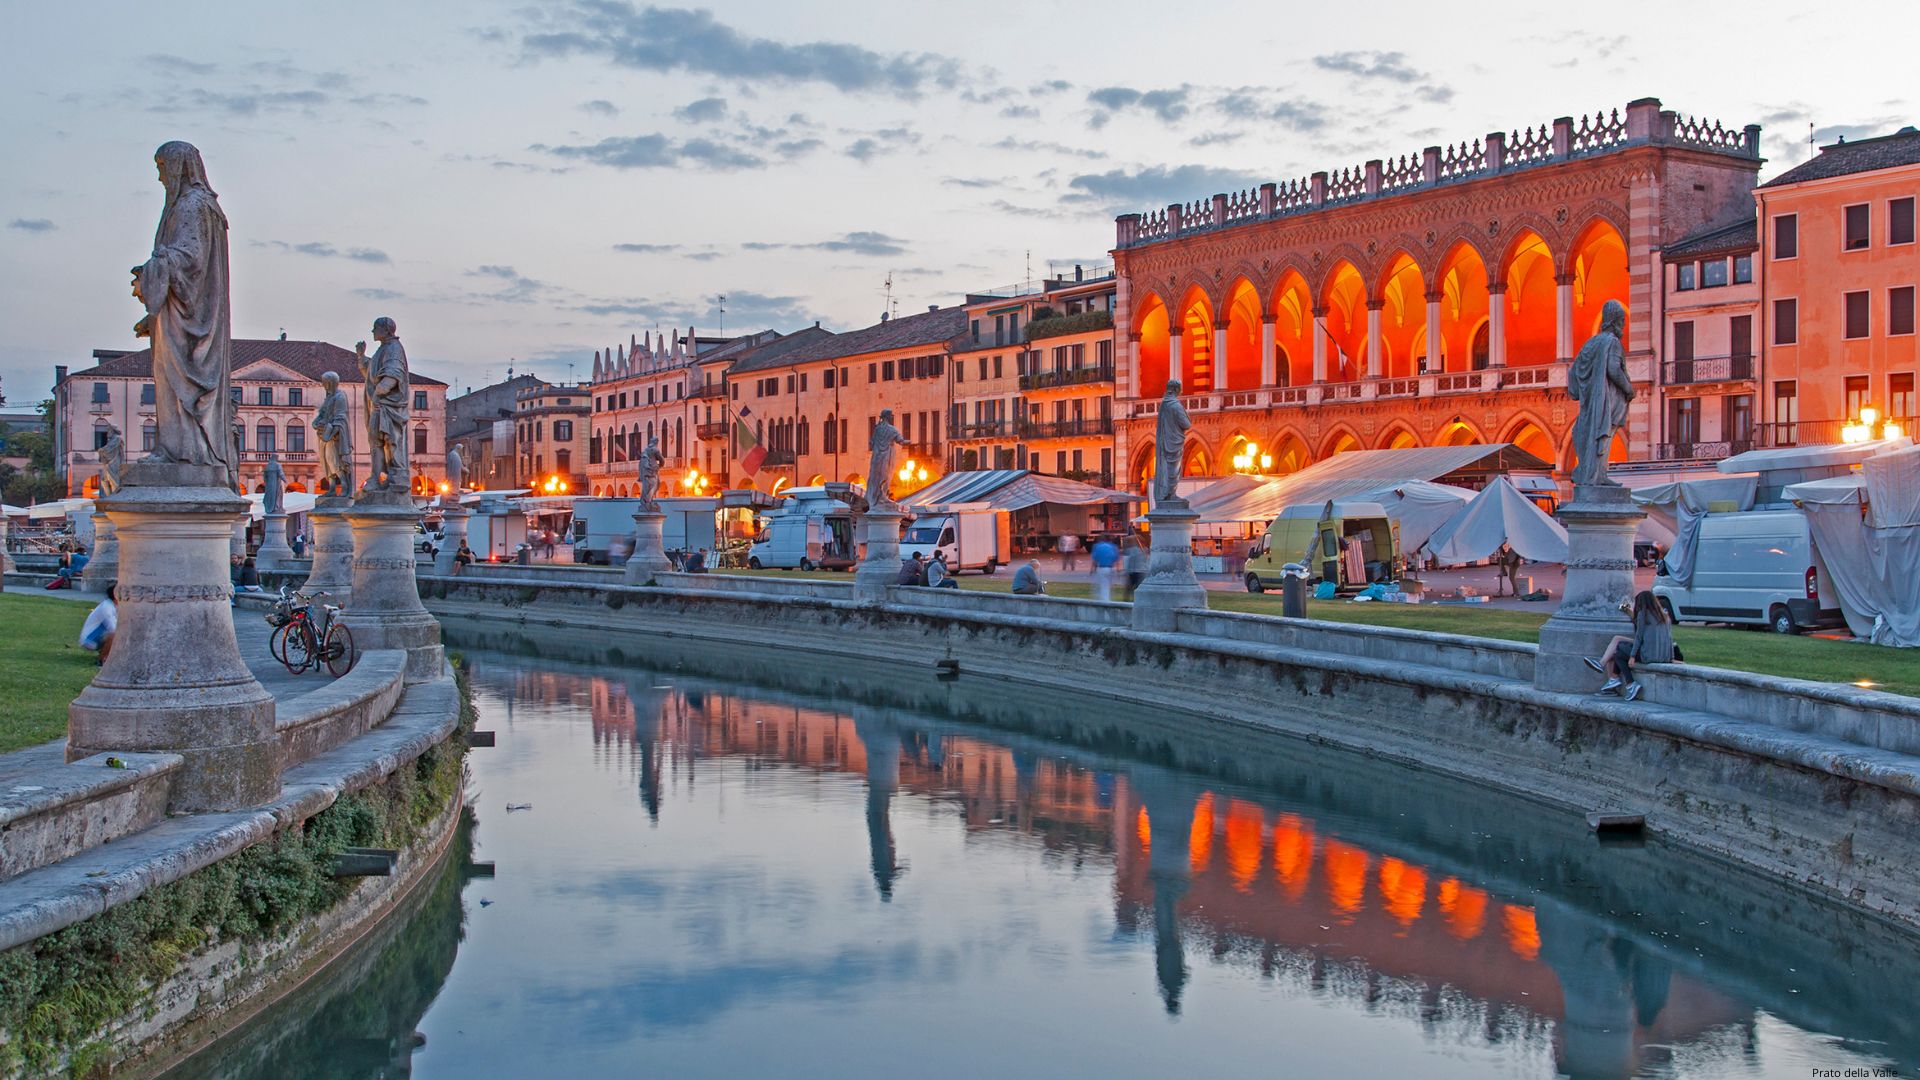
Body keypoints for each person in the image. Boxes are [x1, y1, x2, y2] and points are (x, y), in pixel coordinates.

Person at [1587, 590, 1677, 701]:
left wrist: (1633, 656)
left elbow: (1639, 637)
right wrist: (1671, 658)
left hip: (1648, 655)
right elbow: (1669, 638)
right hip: (1662, 656)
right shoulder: (1664, 616)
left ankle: (1610, 672)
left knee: (1619, 649)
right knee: (1618, 648)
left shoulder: (1643, 615)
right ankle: (1624, 683)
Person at [79, 587, 118, 665]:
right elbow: (113, 629)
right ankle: (101, 660)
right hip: (90, 639)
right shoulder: (106, 608)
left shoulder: (113, 605)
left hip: (100, 635)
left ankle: (107, 654)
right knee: (115, 635)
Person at [1090, 535, 1120, 602]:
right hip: (1110, 568)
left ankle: (1104, 600)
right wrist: (1118, 569)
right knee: (1108, 585)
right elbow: (1116, 558)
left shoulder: (1097, 546)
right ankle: (1108, 598)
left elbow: (1095, 559)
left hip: (1101, 568)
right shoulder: (1113, 547)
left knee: (1102, 585)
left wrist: (1092, 569)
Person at [1123, 534, 1149, 599]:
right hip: (1141, 570)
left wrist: (1127, 571)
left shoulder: (1133, 550)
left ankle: (1128, 598)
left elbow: (1130, 561)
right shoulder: (1144, 549)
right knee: (1136, 586)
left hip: (1135, 571)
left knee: (1130, 587)